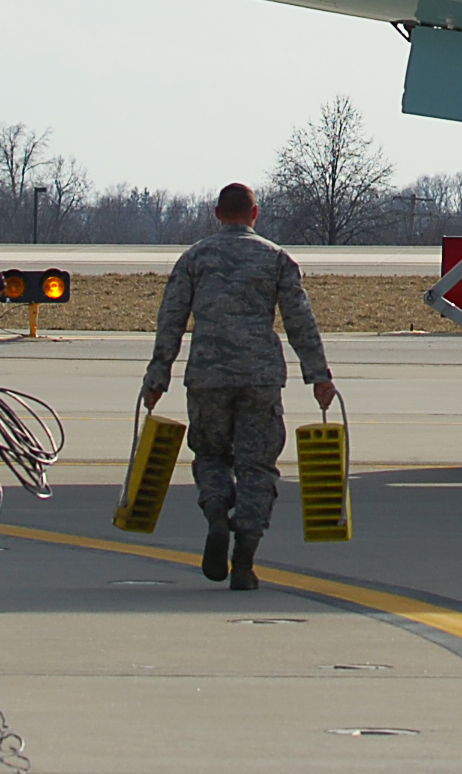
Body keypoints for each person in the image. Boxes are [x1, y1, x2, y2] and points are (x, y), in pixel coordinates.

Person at [143, 182, 336, 590]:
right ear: (255, 213)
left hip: (207, 377)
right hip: (259, 378)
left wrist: (157, 376)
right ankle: (244, 559)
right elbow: (300, 321)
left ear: (216, 214)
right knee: (257, 467)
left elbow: (171, 320)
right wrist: (318, 375)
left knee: (210, 454)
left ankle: (216, 514)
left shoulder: (194, 258)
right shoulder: (276, 259)